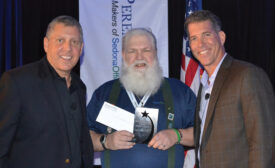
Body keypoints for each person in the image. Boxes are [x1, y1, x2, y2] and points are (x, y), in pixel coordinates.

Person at [87, 28, 196, 168]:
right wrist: (105, 141)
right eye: (132, 51)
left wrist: (177, 135)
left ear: (155, 53)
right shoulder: (104, 93)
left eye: (146, 50)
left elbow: (202, 133)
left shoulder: (179, 91)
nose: (140, 57)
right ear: (123, 54)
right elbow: (83, 138)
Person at [184, 10, 275, 168]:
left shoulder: (247, 75)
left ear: (221, 37)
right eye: (194, 38)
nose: (201, 44)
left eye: (206, 35)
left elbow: (263, 141)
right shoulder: (204, 84)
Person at [0, 15, 94, 168]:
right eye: (60, 40)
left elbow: (82, 144)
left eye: (74, 42)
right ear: (46, 44)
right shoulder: (17, 82)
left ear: (81, 48)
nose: (68, 48)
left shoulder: (80, 87)